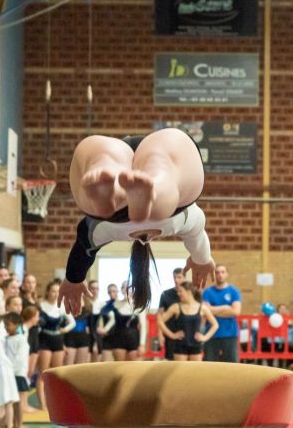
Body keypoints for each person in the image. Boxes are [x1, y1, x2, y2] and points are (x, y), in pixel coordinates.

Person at [57, 129, 214, 315]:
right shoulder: (102, 231)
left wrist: (73, 279)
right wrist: (202, 260)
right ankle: (156, 183)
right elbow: (82, 250)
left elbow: (81, 253)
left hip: (154, 214)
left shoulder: (185, 220)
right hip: (113, 219)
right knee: (163, 167)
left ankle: (109, 171)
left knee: (105, 155)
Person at [158, 281, 218, 361]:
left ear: (189, 292)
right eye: (178, 292)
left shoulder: (202, 307)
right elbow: (160, 321)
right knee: (181, 373)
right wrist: (172, 335)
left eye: (180, 291)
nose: (178, 294)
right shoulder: (176, 307)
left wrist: (205, 337)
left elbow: (215, 324)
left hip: (196, 345)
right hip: (180, 346)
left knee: (194, 372)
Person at [36, 279, 69, 413]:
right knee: (44, 374)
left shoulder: (61, 306)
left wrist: (64, 331)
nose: (55, 294)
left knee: (56, 374)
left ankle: (56, 403)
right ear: (48, 292)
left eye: (58, 291)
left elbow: (70, 322)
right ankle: (43, 405)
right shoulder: (41, 305)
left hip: (58, 340)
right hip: (45, 339)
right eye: (53, 291)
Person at [201, 264, 242, 363]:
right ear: (214, 275)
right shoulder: (207, 292)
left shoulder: (234, 291)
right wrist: (225, 307)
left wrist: (212, 310)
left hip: (230, 334)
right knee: (209, 365)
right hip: (211, 334)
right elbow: (205, 312)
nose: (220, 275)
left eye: (222, 272)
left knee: (232, 365)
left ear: (227, 274)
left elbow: (236, 312)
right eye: (217, 272)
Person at [3, 312, 30, 428]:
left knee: (18, 402)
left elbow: (20, 358)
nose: (6, 327)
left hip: (18, 373)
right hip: (9, 373)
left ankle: (20, 425)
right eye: (5, 325)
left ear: (17, 324)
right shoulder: (6, 339)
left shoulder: (21, 339)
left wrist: (11, 369)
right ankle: (13, 424)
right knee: (11, 402)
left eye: (8, 325)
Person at [157, 267, 184, 361]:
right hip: (170, 333)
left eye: (179, 277)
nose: (176, 280)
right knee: (170, 360)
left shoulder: (191, 294)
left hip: (186, 333)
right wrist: (160, 335)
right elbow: (160, 316)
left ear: (184, 278)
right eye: (175, 277)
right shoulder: (165, 294)